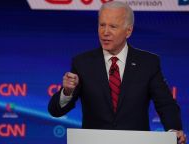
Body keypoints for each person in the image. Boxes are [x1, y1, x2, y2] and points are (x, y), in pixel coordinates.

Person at [48, 1, 187, 144]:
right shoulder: (82, 63)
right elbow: (55, 111)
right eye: (102, 25)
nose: (105, 32)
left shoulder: (148, 63)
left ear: (128, 31)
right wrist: (67, 92)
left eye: (113, 26)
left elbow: (166, 104)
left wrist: (173, 131)